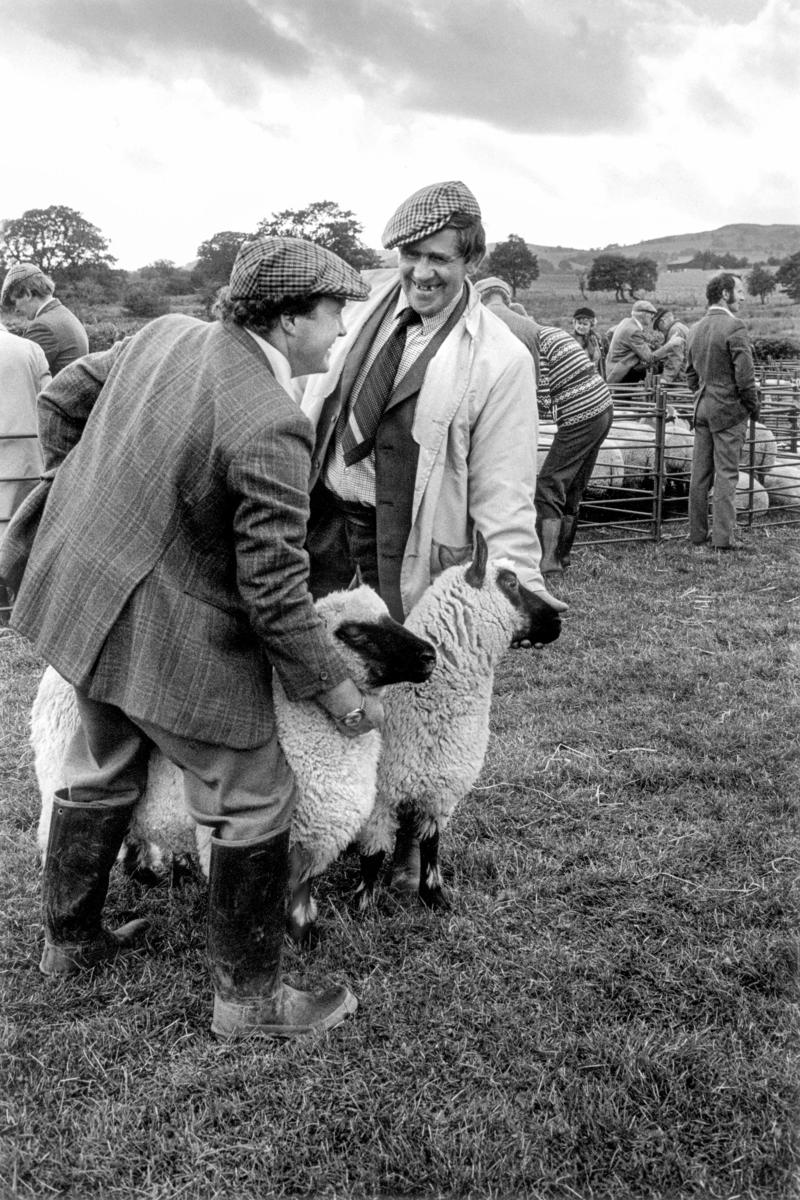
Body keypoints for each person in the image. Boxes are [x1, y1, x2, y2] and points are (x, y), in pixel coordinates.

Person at [0, 236, 381, 1040]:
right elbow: (275, 595)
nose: (340, 328)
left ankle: (69, 945)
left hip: (87, 598)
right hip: (169, 630)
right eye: (331, 311)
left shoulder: (166, 332)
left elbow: (64, 398)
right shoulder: (273, 423)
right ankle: (251, 1004)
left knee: (101, 763)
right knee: (252, 793)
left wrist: (92, 492)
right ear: (285, 321)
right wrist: (337, 689)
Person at [301, 180, 567, 633]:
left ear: (472, 260)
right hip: (320, 524)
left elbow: (505, 488)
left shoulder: (500, 360)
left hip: (398, 543)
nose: (421, 273)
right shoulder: (360, 301)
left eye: (439, 259)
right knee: (313, 662)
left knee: (396, 675)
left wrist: (519, 580)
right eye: (411, 255)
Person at [477, 285, 614, 591]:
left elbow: (538, 396)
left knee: (549, 484)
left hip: (581, 412)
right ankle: (562, 556)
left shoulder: (530, 344)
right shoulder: (549, 334)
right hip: (602, 407)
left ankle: (548, 561)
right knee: (573, 484)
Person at [686, 273, 759, 551]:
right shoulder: (734, 326)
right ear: (725, 294)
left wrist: (701, 394)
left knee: (699, 474)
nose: (743, 296)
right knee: (727, 474)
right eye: (739, 291)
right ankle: (723, 539)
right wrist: (751, 406)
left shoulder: (694, 328)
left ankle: (696, 534)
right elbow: (745, 377)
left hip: (702, 408)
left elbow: (690, 374)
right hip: (728, 411)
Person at [0, 319, 50, 622]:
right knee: (23, 531)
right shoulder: (30, 348)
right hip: (28, 458)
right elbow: (51, 398)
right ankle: (23, 612)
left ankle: (2, 614)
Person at [0, 262, 89, 375]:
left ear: (27, 294)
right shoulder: (63, 313)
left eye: (15, 301)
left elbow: (15, 371)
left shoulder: (43, 327)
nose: (16, 309)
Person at [605, 299, 683, 385]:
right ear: (644, 315)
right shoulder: (634, 331)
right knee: (656, 367)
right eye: (651, 314)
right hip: (621, 373)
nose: (652, 317)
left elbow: (609, 332)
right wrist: (670, 344)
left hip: (613, 368)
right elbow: (649, 358)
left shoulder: (626, 321)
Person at [652, 306, 690, 385]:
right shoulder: (680, 327)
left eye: (658, 328)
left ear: (662, 321)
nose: (660, 332)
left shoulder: (675, 331)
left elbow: (675, 359)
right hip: (685, 375)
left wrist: (665, 379)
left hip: (680, 379)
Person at [571, 306, 605, 376]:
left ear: (591, 325)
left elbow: (601, 362)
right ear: (574, 323)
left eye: (585, 324)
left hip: (595, 376)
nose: (581, 327)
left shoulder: (596, 338)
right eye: (579, 323)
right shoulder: (570, 340)